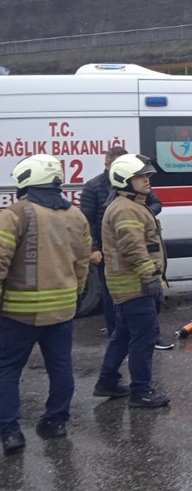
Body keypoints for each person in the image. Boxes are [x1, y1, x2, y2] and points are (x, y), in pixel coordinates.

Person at [0, 155, 91, 455]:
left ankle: (10, 433)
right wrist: (76, 294)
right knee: (61, 367)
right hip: (62, 310)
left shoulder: (14, 214)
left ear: (25, 180)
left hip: (19, 312)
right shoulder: (76, 216)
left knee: (7, 370)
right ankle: (56, 422)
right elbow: (82, 264)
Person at [94, 154, 170, 408]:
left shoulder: (130, 204)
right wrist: (150, 277)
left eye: (147, 175)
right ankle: (141, 391)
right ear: (124, 180)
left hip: (127, 284)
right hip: (134, 285)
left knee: (123, 335)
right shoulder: (126, 209)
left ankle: (107, 381)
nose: (147, 180)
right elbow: (132, 247)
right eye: (140, 176)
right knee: (143, 339)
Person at [81, 145, 172, 350]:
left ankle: (150, 336)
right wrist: (93, 248)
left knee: (146, 301)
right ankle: (117, 334)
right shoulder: (93, 187)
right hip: (107, 250)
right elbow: (87, 221)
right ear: (107, 166)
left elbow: (155, 203)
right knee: (113, 298)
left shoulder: (135, 188)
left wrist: (142, 214)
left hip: (134, 246)